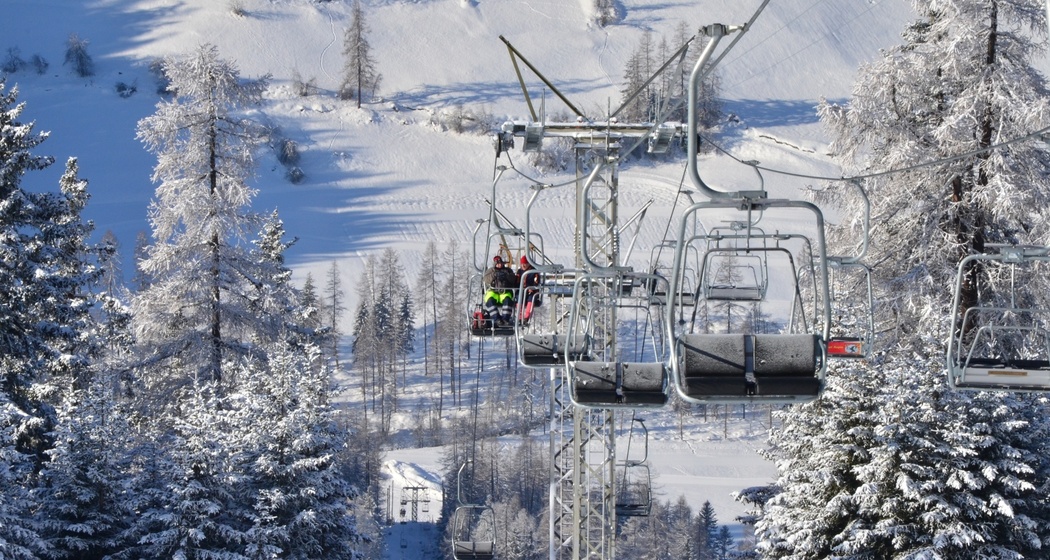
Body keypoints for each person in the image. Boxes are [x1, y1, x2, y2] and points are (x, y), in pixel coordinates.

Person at [482, 255, 517, 326]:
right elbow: (485, 279)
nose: (499, 265)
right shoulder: (491, 271)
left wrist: (506, 276)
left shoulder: (508, 270)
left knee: (508, 300)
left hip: (505, 292)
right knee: (490, 301)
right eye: (497, 264)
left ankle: (505, 319)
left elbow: (513, 279)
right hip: (493, 292)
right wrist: (494, 275)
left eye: (500, 263)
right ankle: (497, 319)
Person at [516, 255, 542, 322]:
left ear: (528, 264)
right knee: (519, 296)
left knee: (532, 297)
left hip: (531, 291)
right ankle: (519, 317)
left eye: (525, 264)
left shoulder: (533, 272)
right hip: (522, 290)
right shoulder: (519, 272)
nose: (523, 266)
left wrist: (532, 288)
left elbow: (536, 281)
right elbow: (517, 281)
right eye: (522, 264)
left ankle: (526, 317)